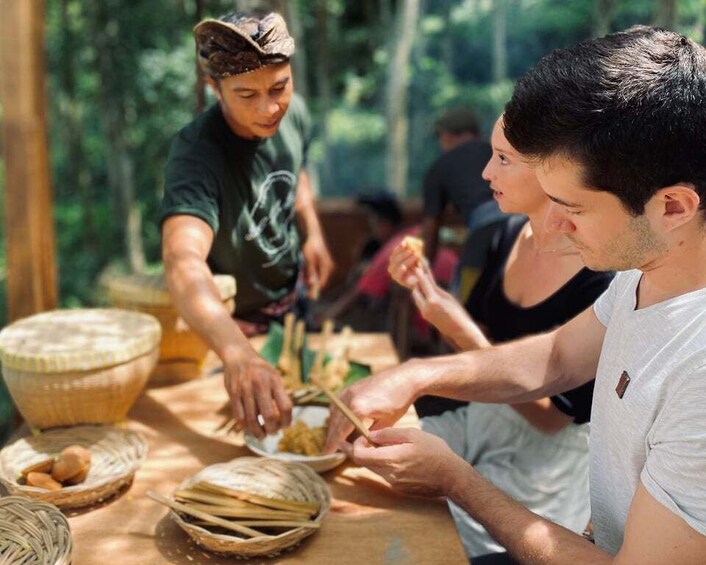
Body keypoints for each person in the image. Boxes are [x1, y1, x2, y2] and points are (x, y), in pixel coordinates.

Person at [326, 26, 706, 563]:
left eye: (571, 207)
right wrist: (413, 375)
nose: (551, 224)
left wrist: (456, 480)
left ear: (672, 207)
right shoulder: (646, 270)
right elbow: (556, 358)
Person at [389, 115, 613, 558]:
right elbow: (481, 347)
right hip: (483, 418)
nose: (485, 173)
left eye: (503, 159)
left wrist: (457, 332)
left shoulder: (605, 275)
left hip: (546, 465)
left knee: (435, 546)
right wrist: (429, 296)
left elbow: (551, 418)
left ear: (556, 171)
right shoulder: (502, 235)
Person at [160, 12, 333, 440]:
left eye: (279, 87)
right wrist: (236, 353)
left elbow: (298, 170)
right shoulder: (196, 155)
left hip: (291, 304)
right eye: (246, 94)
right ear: (213, 89)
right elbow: (182, 261)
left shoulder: (293, 116)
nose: (269, 107)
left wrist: (312, 232)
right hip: (231, 330)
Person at [319, 191, 458, 334]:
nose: (371, 231)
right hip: (455, 306)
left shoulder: (396, 249)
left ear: (384, 223)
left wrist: (323, 319)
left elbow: (356, 294)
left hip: (436, 321)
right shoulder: (415, 235)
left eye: (372, 225)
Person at [422, 107, 506, 302]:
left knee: (461, 305)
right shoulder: (499, 153)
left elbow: (431, 228)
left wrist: (424, 272)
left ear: (446, 136)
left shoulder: (439, 167)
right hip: (526, 227)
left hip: (486, 234)